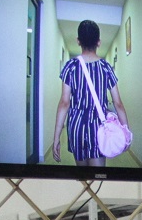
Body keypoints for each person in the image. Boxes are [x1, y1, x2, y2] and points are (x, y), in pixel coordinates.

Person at [48, 19, 129, 167]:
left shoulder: (71, 67)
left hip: (76, 127)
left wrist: (56, 137)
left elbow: (64, 103)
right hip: (98, 129)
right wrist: (126, 133)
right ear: (99, 42)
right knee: (97, 176)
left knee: (83, 175)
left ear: (78, 41)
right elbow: (118, 103)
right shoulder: (105, 67)